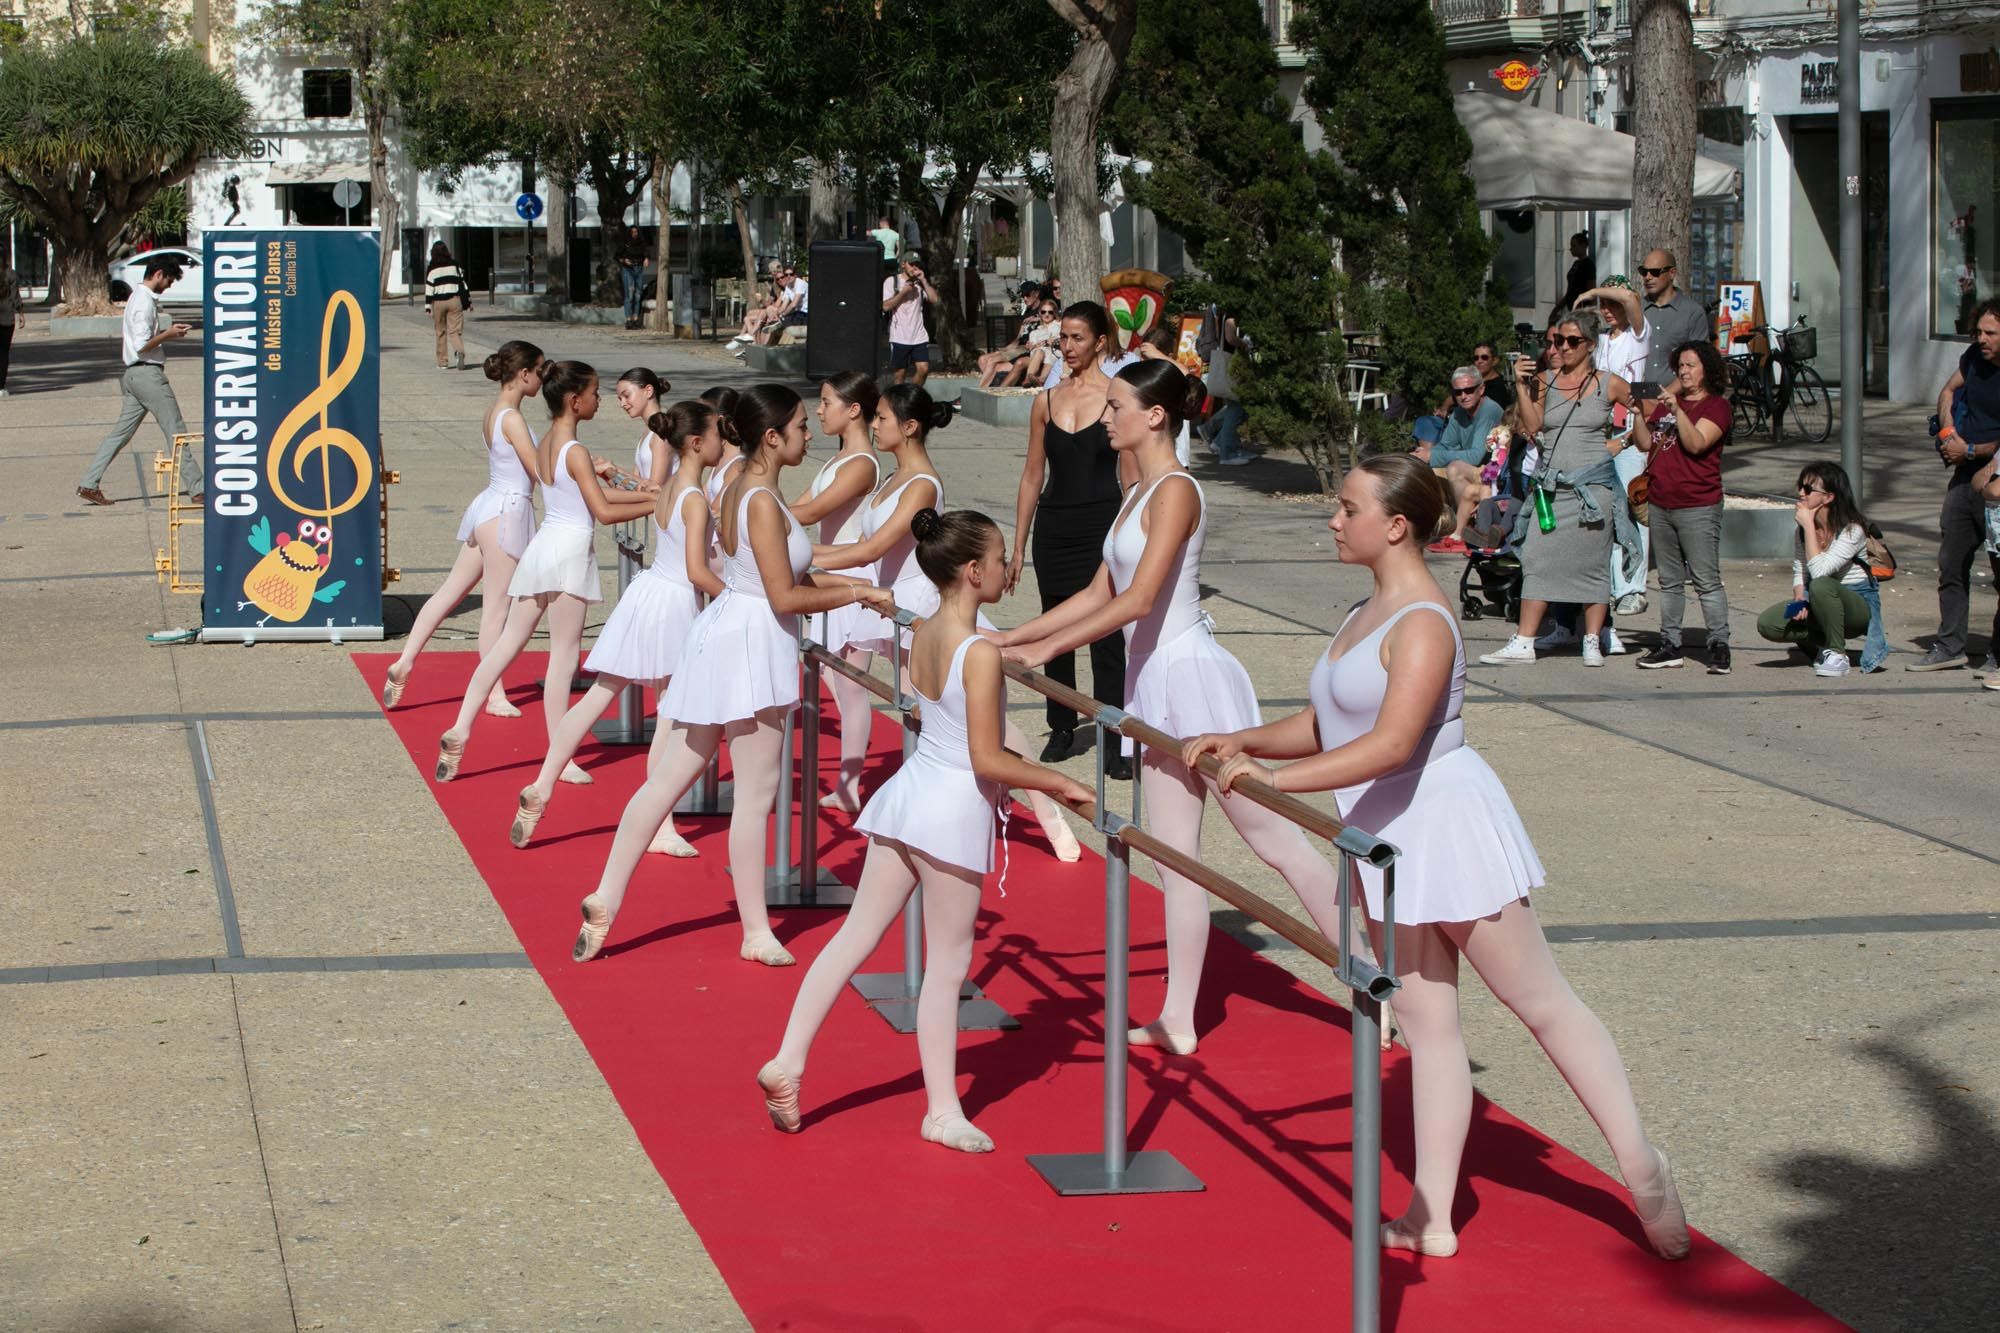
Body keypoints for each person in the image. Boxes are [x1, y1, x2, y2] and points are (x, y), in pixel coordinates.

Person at [1187, 452, 1689, 1263]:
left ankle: (1641, 1165)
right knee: (1429, 1027)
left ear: (1396, 526)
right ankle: (1432, 1211)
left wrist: (1273, 777)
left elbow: (1389, 743)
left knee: (1541, 1003)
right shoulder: (1367, 608)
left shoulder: (1422, 619)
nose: (1333, 518)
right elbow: (1331, 722)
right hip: (1390, 836)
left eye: (1347, 507)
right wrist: (1243, 737)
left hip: (1444, 823)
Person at [1003, 362, 1360, 1054]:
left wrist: (1036, 656)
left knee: (1275, 842)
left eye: (1116, 408)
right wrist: (1015, 637)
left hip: (1193, 678)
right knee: (1174, 859)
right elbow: (1096, 588)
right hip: (1153, 681)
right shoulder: (1134, 490)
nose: (1104, 418)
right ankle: (1179, 1015)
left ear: (1156, 415)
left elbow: (1134, 603)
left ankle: (1371, 977)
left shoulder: (1176, 491)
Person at [756, 507, 1094, 1151]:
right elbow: (988, 758)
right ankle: (941, 1110)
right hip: (950, 809)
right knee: (947, 967)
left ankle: (789, 1059)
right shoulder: (976, 652)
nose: (1006, 569)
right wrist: (1060, 784)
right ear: (974, 571)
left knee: (854, 938)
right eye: (999, 560)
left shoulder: (928, 629)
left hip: (910, 796)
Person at [570, 385, 896, 967]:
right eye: (798, 426)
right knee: (753, 793)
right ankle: (753, 929)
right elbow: (783, 591)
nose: (806, 434)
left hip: (729, 631)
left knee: (675, 775)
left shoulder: (741, 486)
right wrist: (858, 590)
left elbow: (779, 568)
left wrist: (855, 584)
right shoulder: (760, 498)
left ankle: (609, 892)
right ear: (772, 436)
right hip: (753, 639)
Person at [816, 384, 1083, 861]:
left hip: (925, 608)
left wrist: (795, 553)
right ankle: (958, 803)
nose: (874, 426)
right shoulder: (893, 478)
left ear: (910, 426)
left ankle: (1045, 808)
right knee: (934, 716)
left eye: (881, 417)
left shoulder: (921, 483)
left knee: (968, 719)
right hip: (899, 610)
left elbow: (871, 550)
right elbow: (865, 546)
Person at [508, 400, 729, 851]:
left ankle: (543, 783)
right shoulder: (694, 500)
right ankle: (660, 826)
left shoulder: (667, 490)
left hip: (646, 594)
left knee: (599, 695)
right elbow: (697, 569)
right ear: (697, 443)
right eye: (718, 434)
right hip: (673, 602)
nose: (723, 442)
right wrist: (736, 598)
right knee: (669, 714)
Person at [432, 362, 660, 784]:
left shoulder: (549, 444)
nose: (599, 400)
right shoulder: (573, 449)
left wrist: (643, 492)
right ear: (575, 401)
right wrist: (660, 504)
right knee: (564, 656)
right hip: (569, 552)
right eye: (594, 393)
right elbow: (603, 510)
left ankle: (462, 725)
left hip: (544, 547)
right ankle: (561, 755)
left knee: (507, 645)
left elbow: (585, 492)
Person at [382, 341, 547, 716]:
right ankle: (493, 694)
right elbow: (537, 469)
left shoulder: (494, 412)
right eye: (538, 371)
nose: (541, 378)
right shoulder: (513, 418)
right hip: (508, 513)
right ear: (523, 375)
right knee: (496, 610)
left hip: (488, 507)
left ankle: (405, 661)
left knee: (449, 593)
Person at [1479, 309, 1643, 667]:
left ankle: (1591, 640)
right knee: (1537, 558)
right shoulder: (1544, 380)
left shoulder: (1608, 382)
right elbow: (1535, 424)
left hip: (1592, 488)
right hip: (1551, 487)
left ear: (1590, 344)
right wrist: (1522, 385)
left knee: (1593, 565)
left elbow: (1644, 422)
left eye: (1571, 341)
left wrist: (1629, 435)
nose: (1562, 348)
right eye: (1556, 340)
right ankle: (1524, 642)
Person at [1011, 301, 1134, 770]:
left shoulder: (1117, 398)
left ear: (1100, 342)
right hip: (1054, 527)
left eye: (1077, 338)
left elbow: (1132, 478)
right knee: (1056, 626)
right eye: (1062, 337)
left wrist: (1131, 539)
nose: (1067, 347)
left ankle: (1112, 734)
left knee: (1106, 636)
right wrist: (1019, 545)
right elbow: (1030, 475)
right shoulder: (1045, 401)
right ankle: (1061, 726)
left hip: (1102, 524)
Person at [790, 372, 884, 811]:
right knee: (835, 676)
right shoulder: (834, 462)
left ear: (854, 410)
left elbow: (810, 511)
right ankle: (849, 779)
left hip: (852, 573)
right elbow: (800, 506)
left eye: (827, 402)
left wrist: (751, 511)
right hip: (829, 569)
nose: (820, 410)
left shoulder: (863, 463)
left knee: (849, 684)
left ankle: (850, 783)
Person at [1912, 297, 2000, 671]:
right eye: (1978, 331)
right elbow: (1947, 391)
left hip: (1996, 478)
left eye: (1991, 333)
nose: (1981, 339)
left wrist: (1979, 452)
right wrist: (1950, 434)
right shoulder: (1973, 358)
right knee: (1951, 562)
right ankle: (1950, 646)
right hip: (1964, 475)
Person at [1633, 340, 1733, 672]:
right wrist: (1637, 415)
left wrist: (1677, 410)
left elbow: (1696, 444)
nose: (1684, 371)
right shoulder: (1665, 407)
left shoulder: (1717, 407)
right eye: (1681, 366)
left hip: (1698, 504)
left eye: (1691, 365)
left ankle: (1719, 643)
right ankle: (1670, 643)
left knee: (1706, 578)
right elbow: (1646, 444)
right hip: (1662, 502)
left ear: (1707, 369)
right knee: (1669, 580)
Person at [77, 254, 202, 506]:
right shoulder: (143, 302)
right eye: (168, 280)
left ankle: (89, 483)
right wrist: (168, 333)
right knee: (175, 430)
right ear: (158, 274)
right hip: (147, 374)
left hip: (135, 375)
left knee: (120, 433)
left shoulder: (138, 298)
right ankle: (197, 489)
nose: (169, 285)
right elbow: (142, 345)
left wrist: (165, 333)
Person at [1755, 462, 1883, 677]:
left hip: (1856, 606)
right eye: (1799, 487)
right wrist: (1799, 600)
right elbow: (1801, 570)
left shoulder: (1853, 529)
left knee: (1821, 584)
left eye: (1808, 489)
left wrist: (1807, 526)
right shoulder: (1803, 531)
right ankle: (1825, 645)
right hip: (1820, 598)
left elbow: (1821, 571)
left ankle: (1837, 654)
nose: (1801, 494)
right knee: (1769, 624)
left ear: (1828, 497)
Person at [1579, 279, 1653, 616]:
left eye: (1613, 304)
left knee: (1633, 507)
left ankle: (1634, 586)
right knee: (1608, 509)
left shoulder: (1639, 335)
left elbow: (1630, 297)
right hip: (1601, 429)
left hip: (1630, 429)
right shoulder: (1602, 342)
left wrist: (1594, 292)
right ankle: (1611, 584)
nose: (1607, 310)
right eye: (1603, 306)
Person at [1420, 366, 1500, 555]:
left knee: (1454, 468)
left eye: (1469, 390)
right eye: (1458, 392)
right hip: (1475, 471)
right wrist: (1423, 456)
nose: (1464, 396)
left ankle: (1465, 529)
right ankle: (1442, 525)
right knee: (1428, 471)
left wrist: (1432, 455)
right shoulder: (1458, 413)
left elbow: (1475, 456)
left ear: (1481, 390)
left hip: (1492, 474)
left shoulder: (1489, 410)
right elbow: (1446, 445)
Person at [1637, 249, 1711, 389]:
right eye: (1643, 271)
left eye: (1655, 272)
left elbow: (1699, 363)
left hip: (1678, 398)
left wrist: (1666, 396)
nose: (1647, 277)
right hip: (1639, 397)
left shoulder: (1692, 312)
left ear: (1672, 273)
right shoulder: (1636, 310)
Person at [1200, 310, 1254, 466]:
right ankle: (1227, 452)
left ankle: (1218, 439)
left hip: (1228, 362)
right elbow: (1230, 337)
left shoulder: (1224, 309)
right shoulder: (1231, 311)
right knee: (1237, 406)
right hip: (1231, 363)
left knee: (1237, 406)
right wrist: (1244, 343)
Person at [975, 299, 1059, 389]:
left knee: (1030, 357)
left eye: (1050, 312)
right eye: (1043, 312)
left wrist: (1046, 342)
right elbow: (1029, 345)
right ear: (1040, 313)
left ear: (1054, 313)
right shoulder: (1035, 331)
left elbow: (1060, 337)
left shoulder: (1058, 325)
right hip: (1034, 356)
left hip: (1050, 356)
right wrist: (1030, 346)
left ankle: (1030, 379)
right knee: (1020, 361)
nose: (1046, 314)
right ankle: (997, 389)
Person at [614, 367, 674, 491]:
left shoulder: (660, 433)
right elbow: (634, 483)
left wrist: (615, 470)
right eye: (620, 399)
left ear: (648, 391)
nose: (622, 404)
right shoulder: (648, 432)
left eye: (626, 396)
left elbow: (654, 489)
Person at [883, 253, 935, 386]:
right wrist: (903, 292)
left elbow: (935, 300)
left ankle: (912, 395)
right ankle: (899, 402)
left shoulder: (919, 285)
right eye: (911, 264)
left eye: (917, 265)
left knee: (923, 369)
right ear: (903, 264)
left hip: (919, 336)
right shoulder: (892, 281)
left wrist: (924, 281)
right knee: (899, 377)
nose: (914, 268)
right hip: (900, 336)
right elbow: (886, 306)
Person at [424, 242, 469, 371]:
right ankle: (459, 351)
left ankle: (442, 362)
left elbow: (429, 289)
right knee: (455, 331)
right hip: (455, 301)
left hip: (438, 302)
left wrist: (428, 306)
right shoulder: (455, 266)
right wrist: (468, 301)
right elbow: (463, 284)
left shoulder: (432, 269)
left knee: (440, 332)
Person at [756, 266, 809, 347]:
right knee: (772, 323)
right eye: (786, 275)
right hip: (797, 313)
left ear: (795, 275)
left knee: (786, 319)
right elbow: (783, 306)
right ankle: (764, 347)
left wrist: (782, 315)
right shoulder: (788, 286)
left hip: (806, 313)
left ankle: (780, 322)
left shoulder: (800, 283)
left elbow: (793, 304)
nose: (788, 277)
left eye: (791, 274)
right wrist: (776, 314)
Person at [1557, 231, 1595, 316]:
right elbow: (1570, 289)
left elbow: (1591, 288)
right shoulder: (1576, 263)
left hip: (1582, 308)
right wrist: (1558, 307)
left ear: (1583, 246)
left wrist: (1592, 311)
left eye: (1574, 246)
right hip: (1572, 308)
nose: (1571, 249)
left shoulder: (1588, 264)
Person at [616, 225, 648, 327]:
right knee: (629, 294)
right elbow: (617, 256)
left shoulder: (641, 243)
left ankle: (635, 319)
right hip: (628, 269)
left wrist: (646, 258)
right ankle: (628, 320)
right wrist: (624, 260)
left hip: (639, 269)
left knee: (638, 294)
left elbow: (645, 253)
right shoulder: (625, 243)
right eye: (633, 232)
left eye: (636, 232)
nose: (635, 234)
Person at [0, 261, 23, 397]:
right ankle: (1, 387)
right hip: (7, 319)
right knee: (3, 353)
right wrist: (21, 313)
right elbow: (15, 296)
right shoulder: (11, 274)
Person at [1471, 342, 1513, 411]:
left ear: (1494, 361)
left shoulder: (1498, 389)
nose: (1479, 361)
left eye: (1484, 357)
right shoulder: (1475, 382)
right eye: (1476, 358)